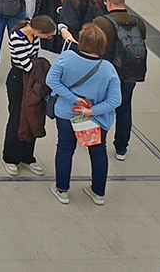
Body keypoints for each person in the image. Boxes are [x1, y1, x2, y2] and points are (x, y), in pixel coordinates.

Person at [45, 22, 121, 205]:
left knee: (64, 148)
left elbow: (51, 80)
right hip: (96, 120)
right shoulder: (108, 69)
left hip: (67, 113)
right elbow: (115, 101)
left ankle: (62, 190)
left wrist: (72, 98)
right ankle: (98, 193)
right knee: (98, 152)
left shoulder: (67, 58)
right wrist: (91, 111)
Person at [93, 0, 149, 161]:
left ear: (108, 2)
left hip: (107, 72)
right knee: (124, 109)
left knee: (99, 106)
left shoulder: (102, 22)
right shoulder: (138, 22)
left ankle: (96, 141)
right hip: (130, 72)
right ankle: (121, 148)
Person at [1, 14, 56, 177]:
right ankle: (10, 158)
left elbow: (34, 59)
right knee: (17, 117)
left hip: (32, 79)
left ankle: (27, 156)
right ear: (38, 30)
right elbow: (26, 64)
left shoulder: (34, 36)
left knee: (32, 115)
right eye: (47, 35)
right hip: (19, 80)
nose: (48, 38)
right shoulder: (17, 37)